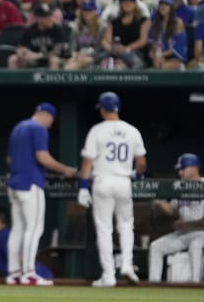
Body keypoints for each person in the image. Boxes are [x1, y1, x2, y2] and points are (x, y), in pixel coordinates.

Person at [76, 92, 147, 287]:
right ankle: (126, 264)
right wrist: (136, 175)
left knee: (105, 229)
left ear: (103, 109)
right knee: (126, 226)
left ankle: (108, 275)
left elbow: (87, 162)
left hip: (103, 181)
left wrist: (83, 187)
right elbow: (141, 163)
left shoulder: (97, 130)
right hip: (124, 181)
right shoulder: (132, 131)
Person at [5, 103, 77, 286]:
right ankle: (28, 273)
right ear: (47, 116)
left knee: (18, 229)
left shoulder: (18, 127)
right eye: (51, 120)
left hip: (14, 183)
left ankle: (13, 273)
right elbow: (42, 157)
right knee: (34, 228)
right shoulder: (38, 128)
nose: (51, 125)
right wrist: (65, 170)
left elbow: (9, 159)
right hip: (30, 183)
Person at [148, 153, 204, 283]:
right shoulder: (181, 186)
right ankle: (153, 285)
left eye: (183, 169)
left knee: (195, 245)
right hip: (183, 234)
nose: (180, 172)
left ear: (194, 168)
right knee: (156, 246)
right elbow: (173, 210)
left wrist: (189, 225)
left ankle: (195, 285)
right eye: (179, 170)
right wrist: (159, 202)